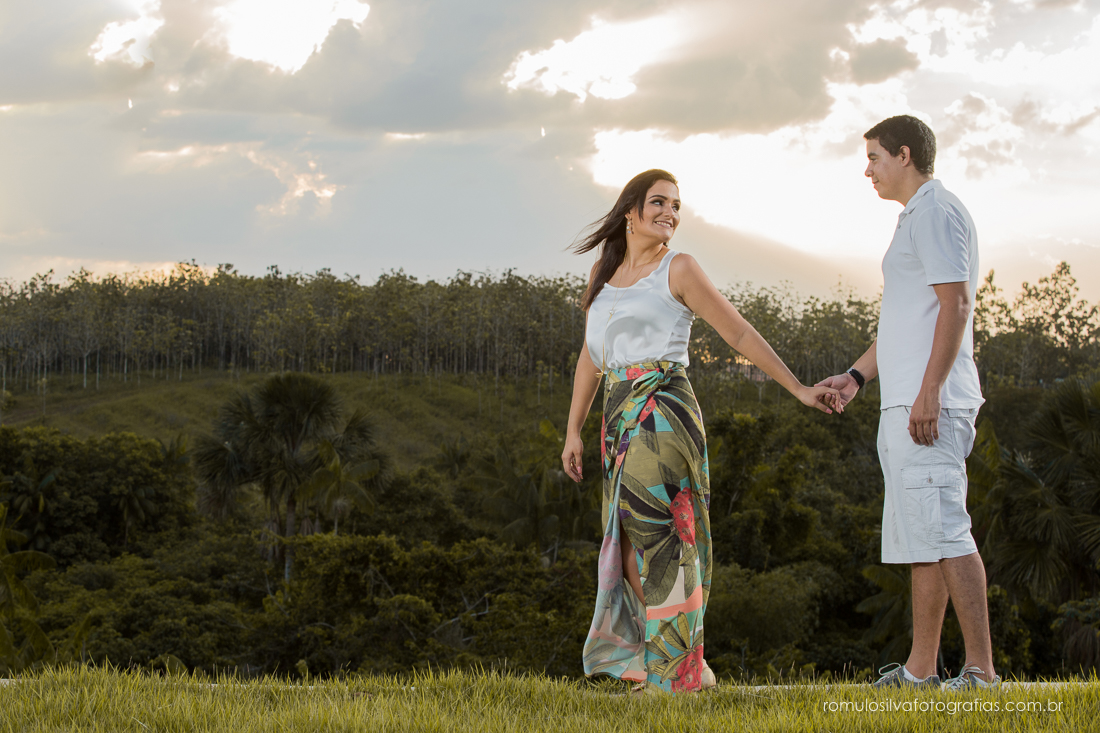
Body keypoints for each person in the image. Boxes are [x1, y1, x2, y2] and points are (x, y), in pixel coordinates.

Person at [562, 169, 838, 694]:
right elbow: (588, 359)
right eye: (659, 202)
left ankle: (676, 674)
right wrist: (573, 430)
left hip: (663, 412)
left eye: (676, 205)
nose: (671, 212)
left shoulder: (680, 267)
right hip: (617, 419)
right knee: (625, 547)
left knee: (659, 539)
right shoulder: (606, 269)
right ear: (630, 212)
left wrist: (799, 388)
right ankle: (677, 664)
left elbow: (736, 330)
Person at [817, 115, 998, 690]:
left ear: (903, 154)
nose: (866, 169)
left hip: (931, 405)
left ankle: (981, 672)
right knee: (923, 535)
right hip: (904, 401)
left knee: (946, 530)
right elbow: (905, 320)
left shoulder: (937, 212)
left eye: (873, 157)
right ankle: (921, 670)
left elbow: (957, 305)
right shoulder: (912, 219)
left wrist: (930, 391)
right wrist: (855, 377)